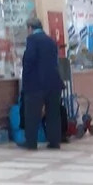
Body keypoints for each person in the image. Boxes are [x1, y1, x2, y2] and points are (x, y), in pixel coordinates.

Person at [22, 17, 64, 149]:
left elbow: (29, 60)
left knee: (32, 114)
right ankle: (54, 142)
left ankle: (31, 143)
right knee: (53, 114)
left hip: (36, 84)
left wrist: (25, 80)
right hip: (54, 82)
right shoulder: (50, 40)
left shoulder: (32, 40)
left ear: (30, 28)